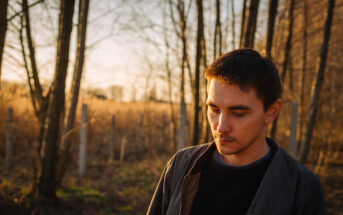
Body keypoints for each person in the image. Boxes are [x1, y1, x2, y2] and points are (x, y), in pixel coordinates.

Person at [147, 49, 324, 215]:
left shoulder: (301, 189)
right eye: (214, 109)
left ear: (271, 111)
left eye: (238, 113)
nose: (221, 127)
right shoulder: (181, 165)